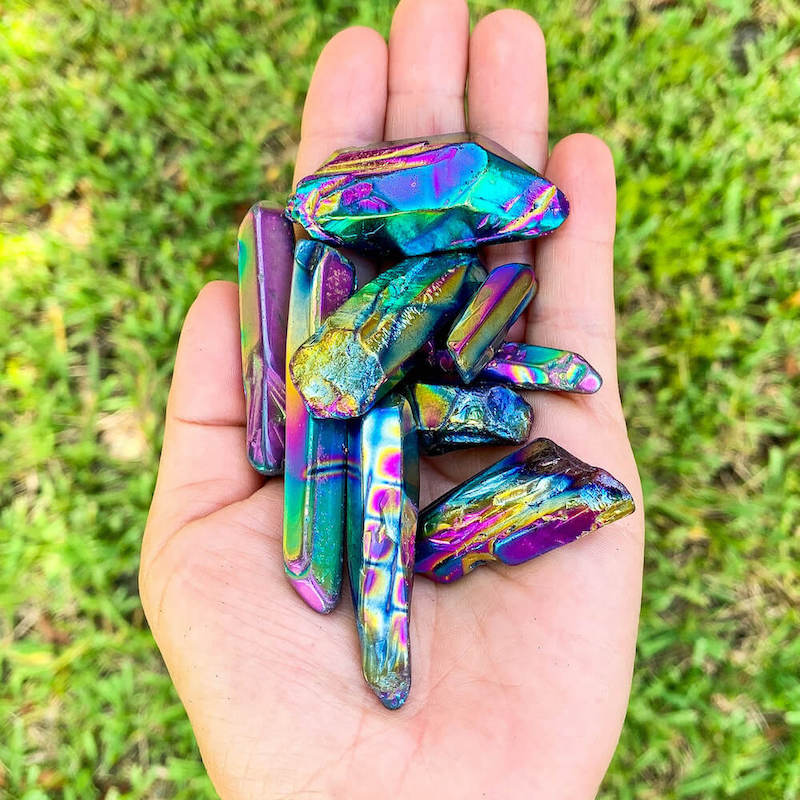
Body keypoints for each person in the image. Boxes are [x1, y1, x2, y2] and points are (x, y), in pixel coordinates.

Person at [139, 1, 644, 797]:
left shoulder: (391, 315)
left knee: (379, 383)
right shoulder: (346, 311)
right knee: (361, 385)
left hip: (397, 372)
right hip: (381, 373)